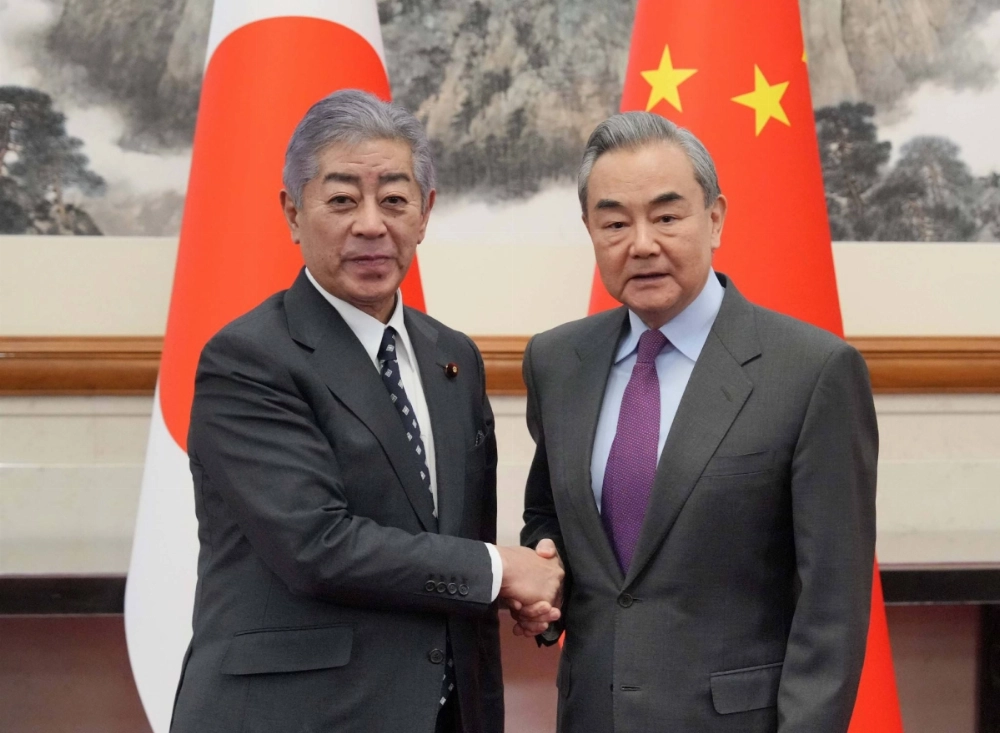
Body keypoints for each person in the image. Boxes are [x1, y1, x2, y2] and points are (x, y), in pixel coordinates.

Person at [170, 89, 562, 733]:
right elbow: (316, 545)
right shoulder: (248, 358)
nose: (372, 225)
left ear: (426, 213)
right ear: (293, 213)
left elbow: (449, 539)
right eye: (343, 199)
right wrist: (500, 570)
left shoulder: (451, 357)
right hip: (296, 715)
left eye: (395, 200)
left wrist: (527, 586)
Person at [515, 111, 877, 732]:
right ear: (590, 231)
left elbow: (832, 608)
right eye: (614, 222)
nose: (643, 243)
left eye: (667, 215)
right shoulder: (556, 361)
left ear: (714, 218)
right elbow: (550, 512)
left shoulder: (813, 371)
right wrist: (543, 574)